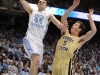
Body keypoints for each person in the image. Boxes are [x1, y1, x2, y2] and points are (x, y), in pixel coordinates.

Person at [19, 0, 65, 75]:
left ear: (46, 6)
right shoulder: (32, 11)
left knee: (36, 63)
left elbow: (57, 23)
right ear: (37, 4)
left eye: (43, 2)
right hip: (30, 38)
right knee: (36, 60)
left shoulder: (49, 14)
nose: (41, 3)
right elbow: (24, 3)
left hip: (39, 42)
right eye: (39, 2)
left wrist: (62, 26)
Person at [52, 0, 97, 75]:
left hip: (66, 65)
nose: (73, 25)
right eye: (74, 24)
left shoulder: (79, 40)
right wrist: (73, 6)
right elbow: (63, 18)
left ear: (80, 29)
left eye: (76, 25)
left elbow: (93, 31)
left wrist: (90, 17)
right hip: (56, 63)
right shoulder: (64, 33)